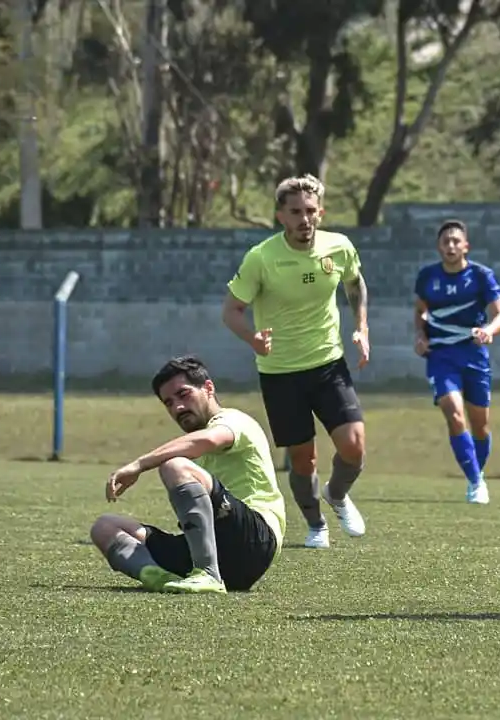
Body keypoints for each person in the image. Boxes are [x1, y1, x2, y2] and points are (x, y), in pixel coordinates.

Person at [221, 174, 368, 550]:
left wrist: (362, 327)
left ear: (320, 211)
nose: (305, 219)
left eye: (310, 210)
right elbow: (233, 310)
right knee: (304, 460)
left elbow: (355, 284)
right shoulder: (262, 258)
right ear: (280, 216)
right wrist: (252, 338)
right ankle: (316, 524)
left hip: (328, 364)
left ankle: (336, 495)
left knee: (353, 445)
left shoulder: (339, 247)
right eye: (295, 212)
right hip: (281, 373)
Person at [89, 355, 287, 594]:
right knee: (104, 527)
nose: (178, 408)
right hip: (213, 551)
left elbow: (211, 438)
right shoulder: (194, 449)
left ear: (209, 388)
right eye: (169, 403)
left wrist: (140, 464)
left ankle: (208, 574)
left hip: (254, 543)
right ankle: (160, 578)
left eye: (183, 395)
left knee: (174, 466)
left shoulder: (234, 420)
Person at [413, 219, 500, 504]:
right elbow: (420, 312)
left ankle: (476, 474)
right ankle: (476, 482)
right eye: (446, 242)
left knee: (480, 425)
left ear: (465, 245)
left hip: (474, 355)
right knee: (453, 413)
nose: (451, 246)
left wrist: (489, 331)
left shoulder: (481, 276)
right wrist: (420, 336)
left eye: (456, 241)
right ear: (439, 247)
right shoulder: (427, 277)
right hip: (441, 356)